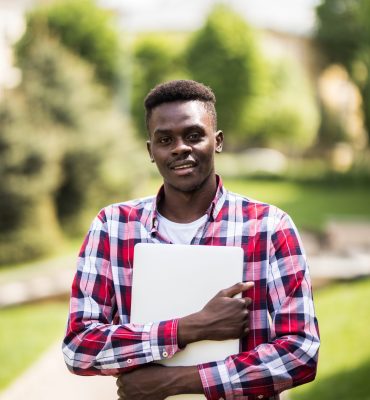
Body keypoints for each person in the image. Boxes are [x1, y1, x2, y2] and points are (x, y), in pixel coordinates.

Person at [62, 79, 320, 399]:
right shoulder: (112, 227)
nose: (180, 147)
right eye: (165, 139)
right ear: (150, 151)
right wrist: (188, 328)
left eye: (194, 135)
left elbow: (301, 353)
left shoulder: (270, 227)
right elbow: (79, 347)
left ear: (218, 141)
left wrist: (177, 381)